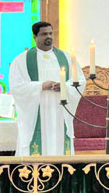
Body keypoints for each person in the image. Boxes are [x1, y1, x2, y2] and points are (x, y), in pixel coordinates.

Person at [9, 22, 84, 156]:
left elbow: (80, 82)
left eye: (50, 33)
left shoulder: (66, 58)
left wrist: (64, 87)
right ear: (35, 37)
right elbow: (16, 86)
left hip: (60, 110)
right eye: (44, 34)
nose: (48, 36)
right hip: (36, 110)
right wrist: (40, 86)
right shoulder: (22, 60)